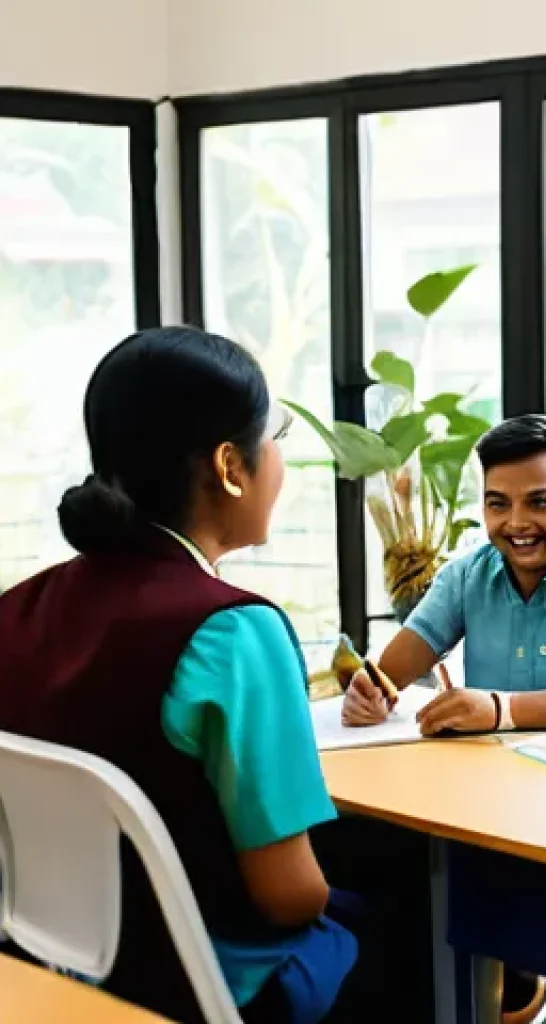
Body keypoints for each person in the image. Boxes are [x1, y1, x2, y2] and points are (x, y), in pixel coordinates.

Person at [0, 327, 361, 1024]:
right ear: (230, 466)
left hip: (59, 975)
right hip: (207, 985)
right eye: (275, 434)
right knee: (418, 918)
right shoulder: (233, 632)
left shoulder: (17, 608)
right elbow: (291, 898)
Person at [342, 413, 546, 1023]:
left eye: (539, 503)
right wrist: (371, 692)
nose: (516, 525)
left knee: (450, 889)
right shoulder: (473, 568)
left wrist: (501, 710)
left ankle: (510, 986)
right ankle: (480, 989)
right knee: (385, 862)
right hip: (485, 805)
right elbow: (393, 669)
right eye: (498, 505)